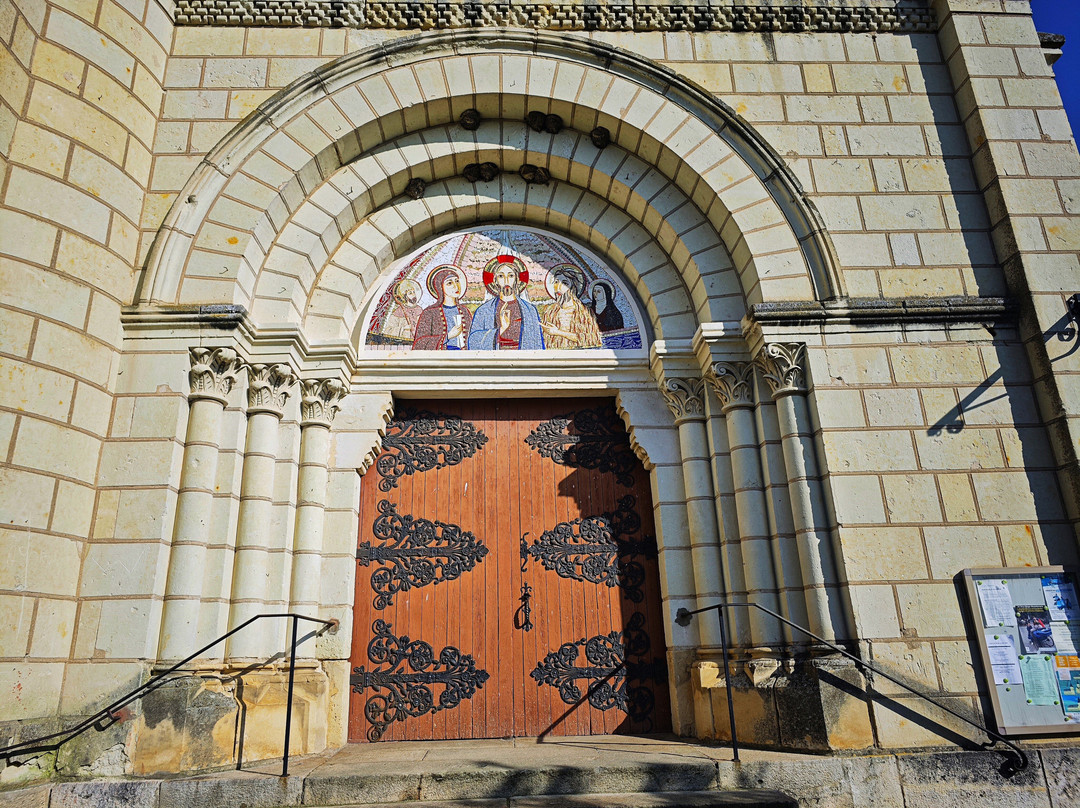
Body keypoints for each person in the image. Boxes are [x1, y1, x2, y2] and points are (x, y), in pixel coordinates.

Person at [467, 255, 544, 350]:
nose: (506, 281)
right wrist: (501, 329)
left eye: (511, 276)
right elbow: (473, 341)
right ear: (495, 281)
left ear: (517, 279)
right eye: (501, 276)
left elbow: (537, 343)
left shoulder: (530, 310)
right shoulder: (484, 310)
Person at [540, 265, 602, 349]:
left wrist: (558, 332)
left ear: (573, 287)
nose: (558, 287)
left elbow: (593, 339)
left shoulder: (584, 312)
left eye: (565, 283)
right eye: (556, 282)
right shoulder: (549, 312)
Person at [412, 266, 472, 350]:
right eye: (449, 283)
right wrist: (448, 336)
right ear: (440, 287)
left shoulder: (464, 311)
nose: (456, 286)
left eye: (457, 281)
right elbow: (420, 343)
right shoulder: (430, 313)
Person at [381, 278, 423, 342]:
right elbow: (388, 331)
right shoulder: (399, 311)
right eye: (410, 293)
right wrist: (403, 328)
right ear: (405, 296)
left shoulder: (419, 310)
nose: (414, 295)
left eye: (414, 292)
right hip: (405, 342)